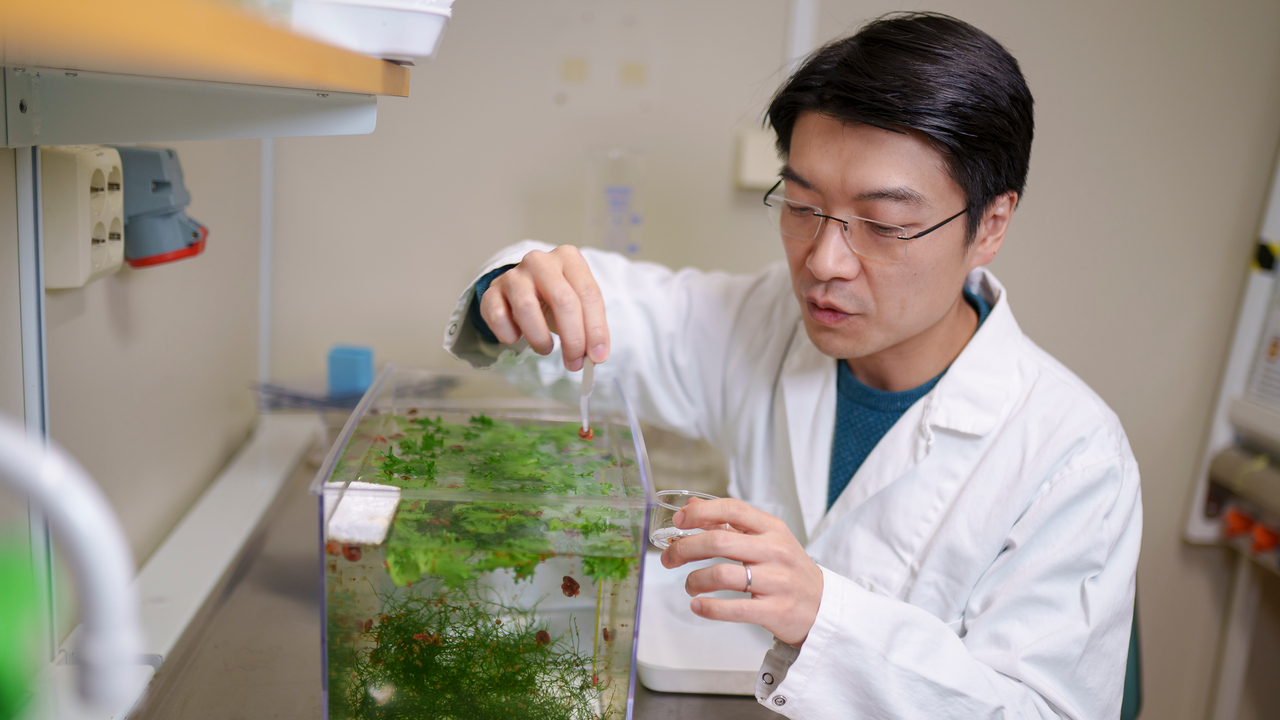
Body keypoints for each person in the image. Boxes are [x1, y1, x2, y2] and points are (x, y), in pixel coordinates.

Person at [443, 12, 1141, 719]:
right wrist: (515, 285)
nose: (823, 262)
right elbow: (591, 305)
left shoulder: (1075, 457)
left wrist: (823, 615)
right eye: (804, 205)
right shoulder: (767, 320)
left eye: (884, 224)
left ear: (990, 224)